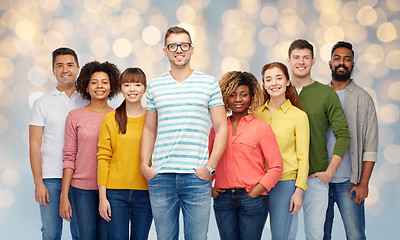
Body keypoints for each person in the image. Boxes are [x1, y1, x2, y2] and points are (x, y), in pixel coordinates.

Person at [140, 26, 228, 240]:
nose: (179, 50)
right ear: (165, 51)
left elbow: (222, 127)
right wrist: (144, 165)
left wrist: (210, 168)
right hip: (162, 177)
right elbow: (150, 129)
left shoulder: (208, 84)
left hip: (196, 177)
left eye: (184, 45)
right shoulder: (155, 86)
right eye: (173, 46)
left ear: (191, 49)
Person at [287, 39, 350, 240]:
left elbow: (343, 134)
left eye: (306, 57)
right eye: (296, 57)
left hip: (315, 178)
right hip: (285, 179)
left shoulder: (325, 93)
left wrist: (329, 172)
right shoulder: (278, 91)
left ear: (313, 61)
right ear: (289, 60)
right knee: (285, 235)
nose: (301, 62)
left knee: (315, 235)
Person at [210, 71, 283, 240]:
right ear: (225, 98)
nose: (237, 99)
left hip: (252, 198)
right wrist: (210, 188)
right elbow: (206, 161)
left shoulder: (262, 128)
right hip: (223, 199)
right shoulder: (217, 129)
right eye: (232, 95)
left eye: (244, 94)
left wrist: (257, 191)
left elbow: (276, 166)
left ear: (251, 97)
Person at [323, 41, 378, 240]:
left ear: (353, 64)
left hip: (350, 182)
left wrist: (364, 183)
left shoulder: (364, 99)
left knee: (355, 235)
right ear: (330, 63)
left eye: (347, 59)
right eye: (337, 58)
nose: (341, 63)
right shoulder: (319, 96)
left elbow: (371, 145)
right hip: (321, 181)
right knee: (319, 235)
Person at [59, 61, 120, 240]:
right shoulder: (75, 117)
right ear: (86, 86)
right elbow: (69, 156)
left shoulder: (118, 117)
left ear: (112, 87)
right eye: (94, 82)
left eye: (104, 82)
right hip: (81, 189)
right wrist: (64, 195)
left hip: (111, 189)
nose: (99, 86)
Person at [29, 47, 84, 240]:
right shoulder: (41, 104)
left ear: (78, 68)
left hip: (81, 179)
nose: (65, 69)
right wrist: (38, 183)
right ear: (53, 70)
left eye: (70, 65)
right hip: (51, 179)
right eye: (59, 65)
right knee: (51, 233)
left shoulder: (87, 100)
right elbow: (35, 145)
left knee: (82, 233)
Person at [253, 62, 309, 240]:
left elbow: (303, 157)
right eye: (268, 79)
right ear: (263, 84)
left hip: (284, 184)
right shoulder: (255, 114)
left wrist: (298, 191)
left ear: (287, 82)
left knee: (280, 236)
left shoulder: (298, 116)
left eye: (279, 78)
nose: (273, 83)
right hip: (256, 183)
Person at [97, 67, 153, 239]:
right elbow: (103, 158)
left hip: (146, 192)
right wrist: (102, 197)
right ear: (121, 88)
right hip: (115, 193)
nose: (132, 89)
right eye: (127, 84)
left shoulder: (153, 119)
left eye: (137, 84)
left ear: (145, 88)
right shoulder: (110, 119)